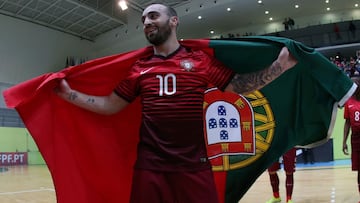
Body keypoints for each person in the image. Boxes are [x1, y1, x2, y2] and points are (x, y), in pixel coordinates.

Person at [56, 3, 297, 203]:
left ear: (173, 21)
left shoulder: (200, 61)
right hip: (150, 168)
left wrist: (279, 66)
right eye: (143, 19)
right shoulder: (138, 69)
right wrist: (69, 94)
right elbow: (110, 105)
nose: (147, 22)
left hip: (194, 166)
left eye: (153, 16)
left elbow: (239, 86)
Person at [343, 77, 360, 203]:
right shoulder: (349, 102)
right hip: (355, 139)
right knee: (359, 170)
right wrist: (344, 141)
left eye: (356, 83)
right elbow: (347, 123)